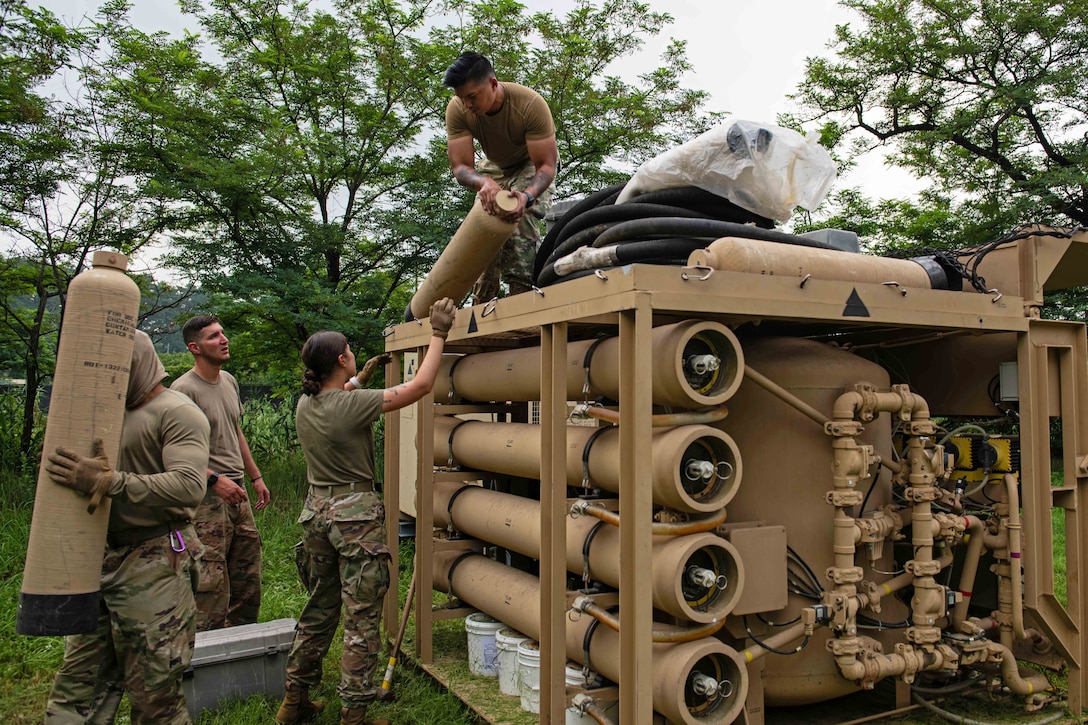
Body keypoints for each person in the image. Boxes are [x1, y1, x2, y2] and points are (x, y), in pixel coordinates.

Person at [275, 298, 456, 725]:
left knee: (319, 609)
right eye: (350, 352)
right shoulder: (349, 407)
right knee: (361, 618)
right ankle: (354, 715)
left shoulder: (308, 404)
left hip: (316, 512)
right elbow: (420, 387)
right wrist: (439, 333)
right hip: (353, 518)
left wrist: (357, 379)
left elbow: (339, 395)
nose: (354, 354)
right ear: (341, 359)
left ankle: (293, 701)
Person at [43, 330, 209, 724]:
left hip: (153, 562)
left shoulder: (177, 411)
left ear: (137, 363)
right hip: (97, 559)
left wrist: (109, 482)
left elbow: (189, 485)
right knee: (77, 687)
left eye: (113, 367)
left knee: (155, 696)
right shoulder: (100, 414)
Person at [171, 314, 269, 630]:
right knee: (210, 580)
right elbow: (175, 454)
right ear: (194, 347)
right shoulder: (183, 389)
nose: (223, 339)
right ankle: (203, 655)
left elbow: (235, 429)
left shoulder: (228, 381)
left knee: (247, 573)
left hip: (236, 490)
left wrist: (255, 476)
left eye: (222, 333)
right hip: (205, 496)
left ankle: (241, 646)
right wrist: (215, 479)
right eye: (213, 336)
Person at [443, 51, 559, 304]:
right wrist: (484, 183)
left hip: (530, 163)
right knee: (484, 224)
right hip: (493, 167)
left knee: (519, 217)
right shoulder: (459, 108)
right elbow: (461, 166)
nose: (467, 105)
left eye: (472, 97)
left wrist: (526, 196)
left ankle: (521, 298)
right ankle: (482, 302)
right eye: (462, 98)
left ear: (493, 84)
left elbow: (547, 166)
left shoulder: (529, 104)